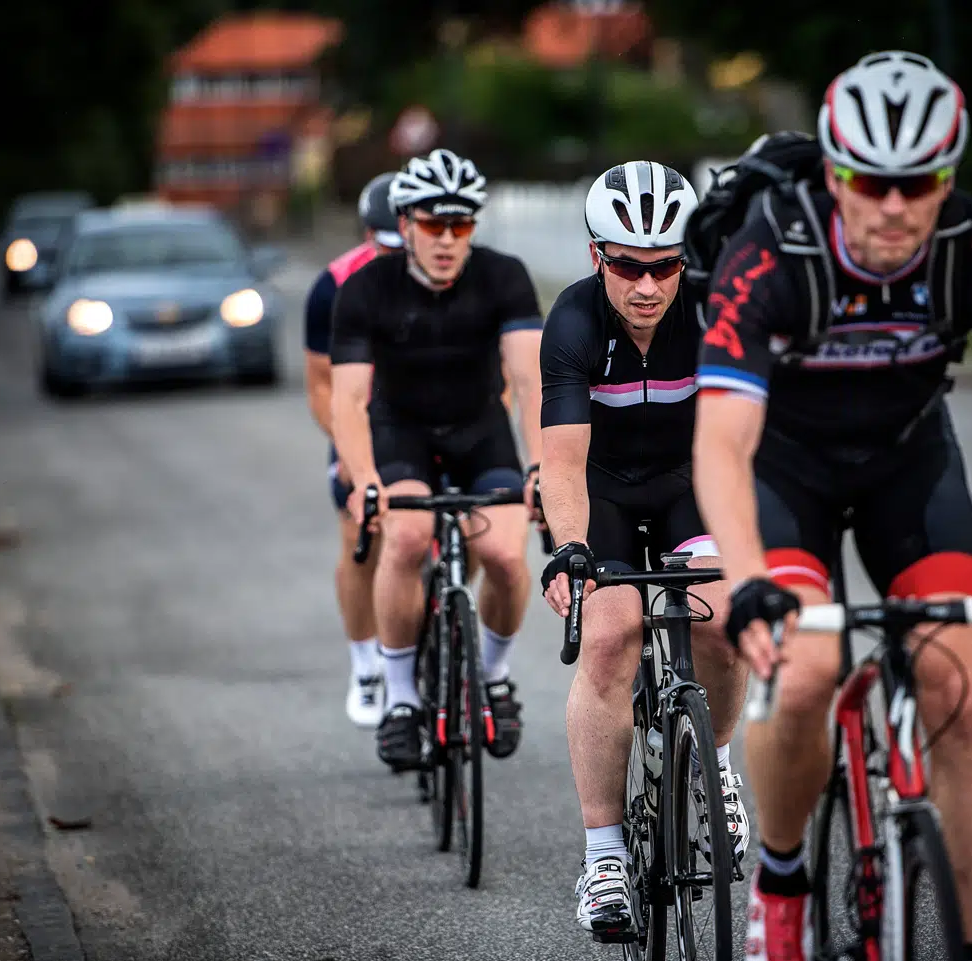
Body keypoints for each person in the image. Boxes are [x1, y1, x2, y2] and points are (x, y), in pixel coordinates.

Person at [691, 52, 972, 961]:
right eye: (867, 180)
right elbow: (721, 442)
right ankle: (783, 876)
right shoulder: (770, 254)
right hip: (785, 471)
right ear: (835, 173)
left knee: (960, 689)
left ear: (947, 178)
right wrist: (751, 580)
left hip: (907, 468)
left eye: (916, 182)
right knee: (802, 670)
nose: (890, 205)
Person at [538, 161, 751, 943]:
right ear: (599, 256)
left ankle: (718, 765)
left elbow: (745, 436)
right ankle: (602, 857)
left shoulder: (716, 312)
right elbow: (561, 464)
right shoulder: (571, 322)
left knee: (725, 616)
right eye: (627, 264)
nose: (647, 284)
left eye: (665, 264)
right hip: (605, 497)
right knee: (609, 638)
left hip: (691, 483)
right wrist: (568, 547)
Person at [330, 148, 544, 769]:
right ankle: (399, 700)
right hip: (400, 434)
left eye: (462, 226)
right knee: (405, 539)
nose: (447, 240)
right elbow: (347, 398)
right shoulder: (366, 288)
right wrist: (365, 478)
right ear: (404, 224)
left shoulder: (504, 276)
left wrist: (540, 468)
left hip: (480, 431)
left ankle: (495, 677)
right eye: (432, 225)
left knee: (505, 554)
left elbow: (528, 380)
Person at [304, 172, 402, 728]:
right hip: (359, 420)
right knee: (359, 536)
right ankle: (366, 662)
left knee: (470, 527)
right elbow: (320, 383)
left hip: (431, 420)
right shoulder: (334, 285)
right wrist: (347, 449)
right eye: (385, 246)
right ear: (369, 234)